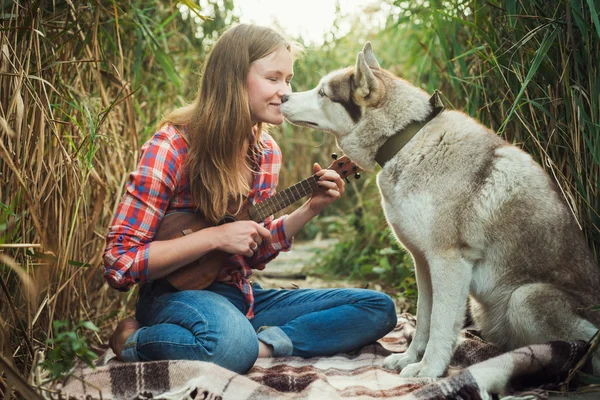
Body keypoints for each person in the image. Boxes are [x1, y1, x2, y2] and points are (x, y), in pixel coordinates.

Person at [103, 23, 397, 374]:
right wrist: (215, 236)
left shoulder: (266, 152)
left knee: (377, 308)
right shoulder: (172, 146)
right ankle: (134, 340)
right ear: (233, 78)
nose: (285, 92)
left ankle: (260, 345)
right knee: (228, 344)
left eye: (288, 80)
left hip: (243, 296)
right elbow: (119, 262)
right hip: (173, 297)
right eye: (273, 79)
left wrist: (310, 209)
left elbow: (253, 252)